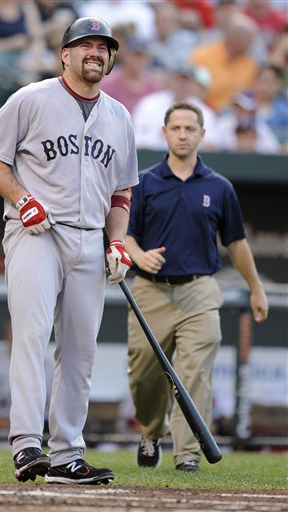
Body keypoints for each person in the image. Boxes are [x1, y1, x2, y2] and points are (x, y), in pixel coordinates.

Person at [0, 16, 138, 485]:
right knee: (32, 335)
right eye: (85, 45)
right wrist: (22, 199)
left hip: (90, 237)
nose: (95, 53)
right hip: (37, 233)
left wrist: (119, 242)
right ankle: (27, 445)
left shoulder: (119, 116)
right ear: (64, 54)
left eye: (103, 47)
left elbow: (123, 190)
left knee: (81, 352)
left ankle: (67, 455)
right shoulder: (32, 98)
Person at [125, 100, 268, 472]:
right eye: (176, 128)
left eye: (190, 129)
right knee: (144, 376)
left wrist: (256, 287)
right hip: (149, 290)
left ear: (202, 134)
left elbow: (236, 242)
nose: (183, 135)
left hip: (199, 291)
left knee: (195, 374)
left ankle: (186, 454)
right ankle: (151, 431)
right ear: (164, 133)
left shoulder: (219, 187)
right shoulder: (144, 182)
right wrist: (138, 257)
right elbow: (124, 235)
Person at [189, 12, 259, 112]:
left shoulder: (251, 66)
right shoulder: (202, 55)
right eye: (240, 35)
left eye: (249, 38)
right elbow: (190, 87)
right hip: (200, 109)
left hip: (233, 115)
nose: (246, 41)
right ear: (230, 35)